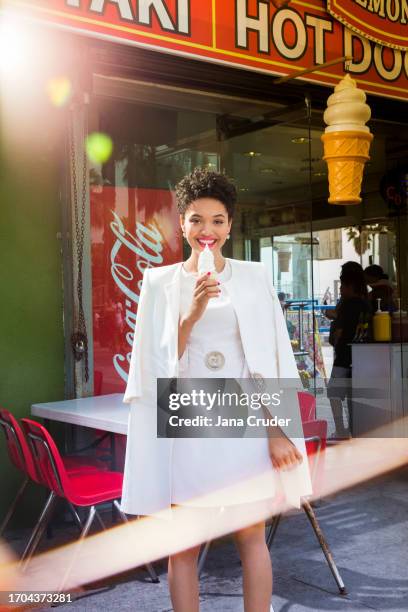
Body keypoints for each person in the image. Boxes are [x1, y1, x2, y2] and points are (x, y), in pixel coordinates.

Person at [121, 168, 311, 612]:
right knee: (184, 545)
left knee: (252, 537)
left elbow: (266, 360)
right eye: (196, 219)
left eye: (218, 220)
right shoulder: (159, 283)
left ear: (230, 225)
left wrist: (276, 431)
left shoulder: (254, 277)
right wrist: (190, 313)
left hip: (244, 422)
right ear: (181, 223)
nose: (207, 230)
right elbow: (155, 365)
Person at [327, 262, 369, 438]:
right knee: (353, 395)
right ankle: (354, 429)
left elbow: (340, 331)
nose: (341, 289)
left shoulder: (347, 304)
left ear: (349, 285)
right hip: (360, 355)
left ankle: (341, 429)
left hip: (343, 354)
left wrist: (336, 336)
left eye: (343, 286)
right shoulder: (366, 303)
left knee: (333, 392)